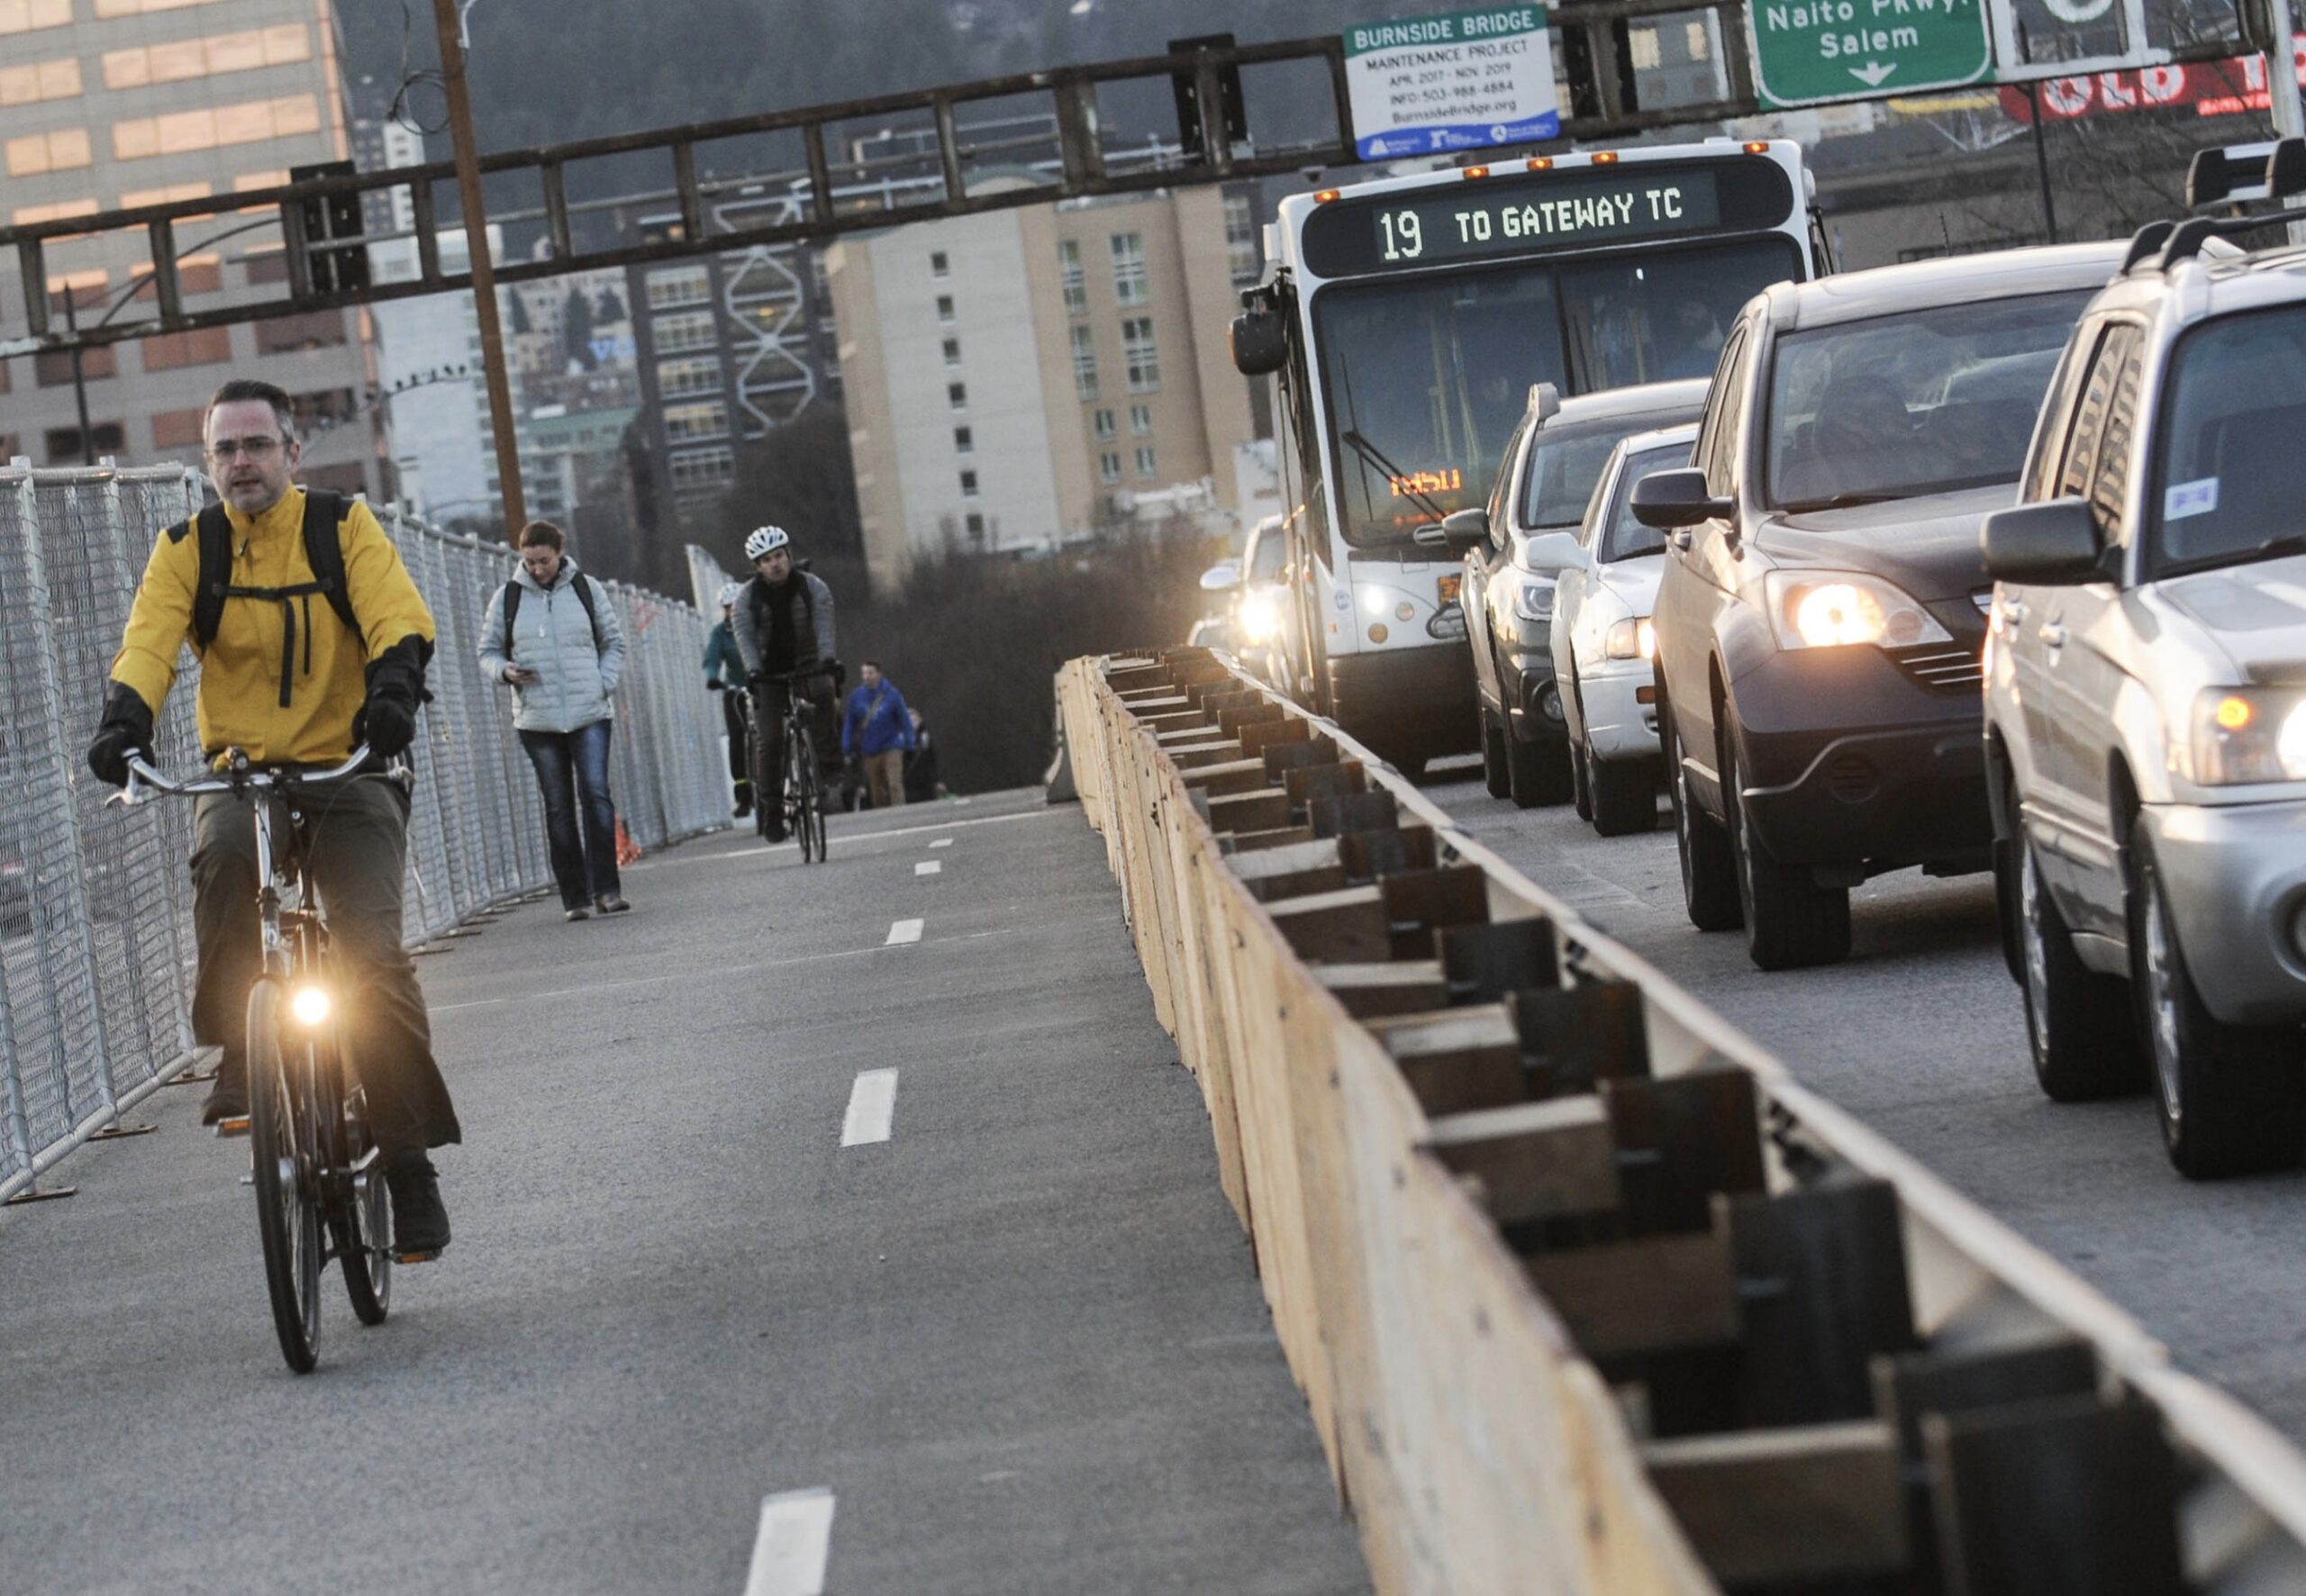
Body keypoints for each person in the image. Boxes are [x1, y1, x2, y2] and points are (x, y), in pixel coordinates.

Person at [84, 376, 458, 1256]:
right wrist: (124, 717)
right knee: (221, 861)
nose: (242, 461)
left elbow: (395, 613)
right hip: (244, 774)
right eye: (225, 448)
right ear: (207, 462)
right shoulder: (187, 547)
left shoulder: (341, 526)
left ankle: (408, 1164)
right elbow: (149, 641)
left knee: (371, 955)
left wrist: (394, 690)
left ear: (294, 452)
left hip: (348, 763)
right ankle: (241, 1047)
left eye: (258, 445)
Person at [477, 521, 631, 922]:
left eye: (543, 561)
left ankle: (607, 890)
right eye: (529, 562)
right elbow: (487, 651)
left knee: (596, 796)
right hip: (538, 719)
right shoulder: (507, 598)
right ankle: (575, 898)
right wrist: (505, 672)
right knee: (558, 807)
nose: (537, 569)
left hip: (589, 711)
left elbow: (612, 642)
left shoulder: (586, 589)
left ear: (559, 553)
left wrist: (604, 682)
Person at [730, 525, 837, 843]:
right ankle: (773, 807)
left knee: (825, 691)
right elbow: (745, 638)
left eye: (778, 556)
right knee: (771, 738)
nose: (774, 564)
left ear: (789, 555)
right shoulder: (746, 599)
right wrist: (752, 670)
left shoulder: (813, 587)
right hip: (768, 672)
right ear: (757, 567)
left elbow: (824, 625)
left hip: (807, 662)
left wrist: (828, 659)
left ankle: (829, 764)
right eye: (766, 560)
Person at [703, 581, 751, 817]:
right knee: (737, 738)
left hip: (761, 685)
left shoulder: (757, 625)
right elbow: (712, 657)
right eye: (728, 607)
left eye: (736, 605)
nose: (732, 611)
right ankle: (743, 795)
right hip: (735, 690)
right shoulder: (720, 633)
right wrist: (712, 677)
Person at [841, 660, 915, 811]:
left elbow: (904, 720)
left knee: (894, 783)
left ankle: (900, 810)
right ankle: (883, 815)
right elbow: (850, 724)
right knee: (876, 789)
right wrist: (846, 746)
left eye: (870, 673)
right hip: (870, 749)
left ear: (879, 674)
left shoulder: (892, 694)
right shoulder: (856, 698)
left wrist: (910, 742)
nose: (867, 676)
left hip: (891, 745)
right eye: (864, 673)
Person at [903, 705, 941, 804]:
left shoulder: (925, 738)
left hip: (925, 782)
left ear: (920, 720)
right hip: (909, 784)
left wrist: (936, 780)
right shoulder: (900, 740)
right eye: (909, 721)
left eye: (914, 720)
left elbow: (932, 760)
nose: (912, 724)